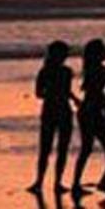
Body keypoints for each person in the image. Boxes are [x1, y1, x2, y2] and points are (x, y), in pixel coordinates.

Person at [71, 38, 105, 197]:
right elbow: (101, 93)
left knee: (88, 148)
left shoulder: (91, 69)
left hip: (87, 111)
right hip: (92, 112)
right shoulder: (100, 70)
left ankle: (78, 183)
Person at [28, 40, 78, 196]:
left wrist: (74, 99)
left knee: (53, 148)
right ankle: (45, 182)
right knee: (50, 148)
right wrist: (57, 94)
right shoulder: (54, 72)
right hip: (57, 110)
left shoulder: (53, 71)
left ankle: (48, 182)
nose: (65, 56)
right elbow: (38, 93)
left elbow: (41, 93)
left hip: (55, 110)